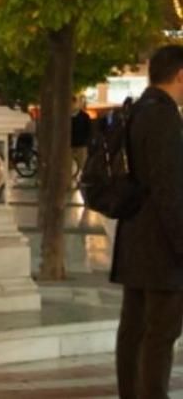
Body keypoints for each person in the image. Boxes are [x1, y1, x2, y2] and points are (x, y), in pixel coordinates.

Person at [113, 46, 183, 399]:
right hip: (161, 248)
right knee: (159, 334)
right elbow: (171, 190)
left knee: (134, 330)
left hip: (134, 238)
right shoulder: (166, 117)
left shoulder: (137, 110)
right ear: (180, 75)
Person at [70, 101, 93, 189]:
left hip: (81, 145)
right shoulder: (65, 116)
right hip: (69, 145)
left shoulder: (84, 116)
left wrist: (87, 141)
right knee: (68, 165)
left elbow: (89, 130)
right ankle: (69, 183)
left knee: (82, 165)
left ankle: (79, 182)